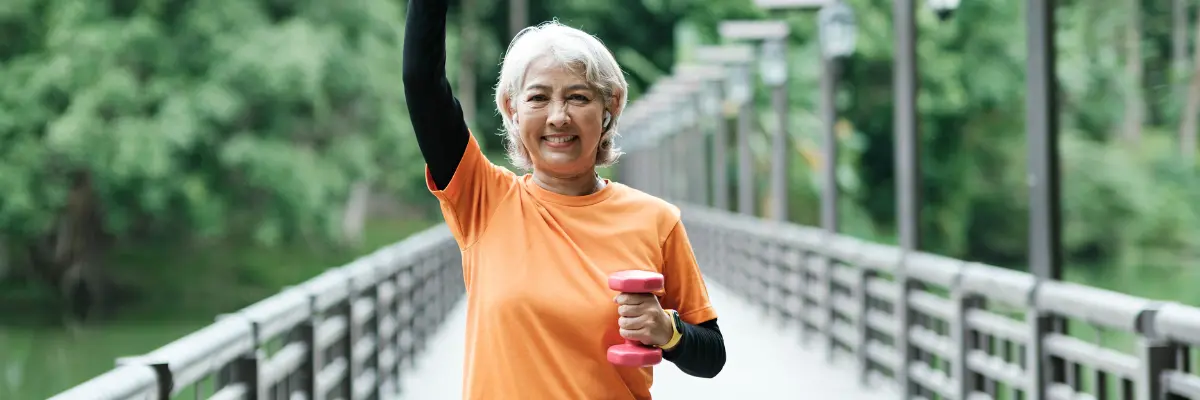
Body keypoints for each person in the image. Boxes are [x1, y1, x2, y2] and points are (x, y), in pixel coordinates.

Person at [402, 0, 726, 398]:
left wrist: (668, 331)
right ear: (512, 109)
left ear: (611, 107)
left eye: (578, 97)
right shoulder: (481, 199)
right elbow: (421, 82)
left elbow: (712, 355)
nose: (558, 116)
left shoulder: (656, 220)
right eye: (538, 98)